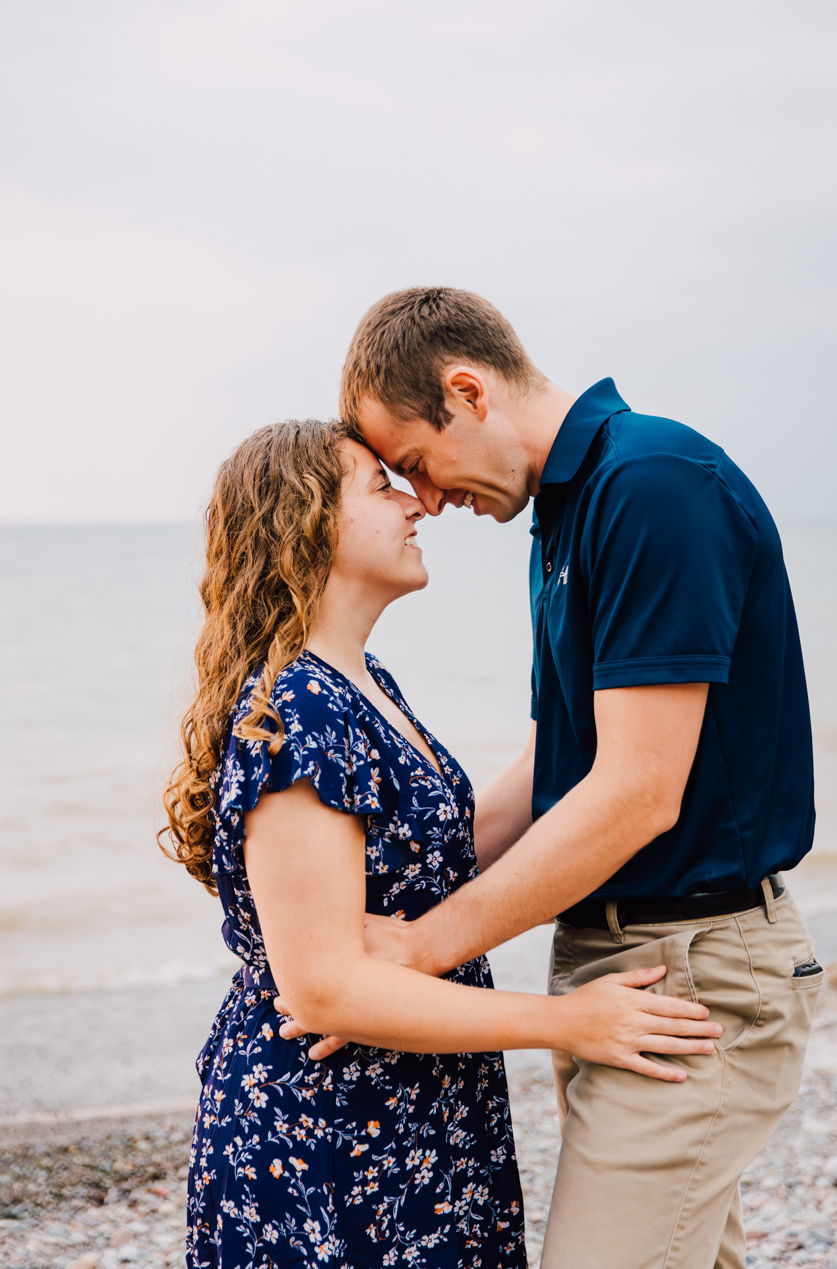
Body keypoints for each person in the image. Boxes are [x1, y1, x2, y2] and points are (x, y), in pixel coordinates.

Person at [286, 285, 820, 1269]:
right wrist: (364, 924)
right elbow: (554, 769)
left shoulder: (653, 484)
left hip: (694, 962)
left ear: (468, 390)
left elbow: (635, 793)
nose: (432, 500)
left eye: (417, 463)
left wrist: (425, 944)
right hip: (617, 954)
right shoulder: (571, 513)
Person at [161, 417, 720, 1269]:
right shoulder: (301, 709)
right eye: (381, 486)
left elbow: (449, 846)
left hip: (415, 1095)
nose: (416, 503)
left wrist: (613, 666)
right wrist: (568, 1023)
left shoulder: (360, 684)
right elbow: (324, 992)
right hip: (327, 1126)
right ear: (306, 520)